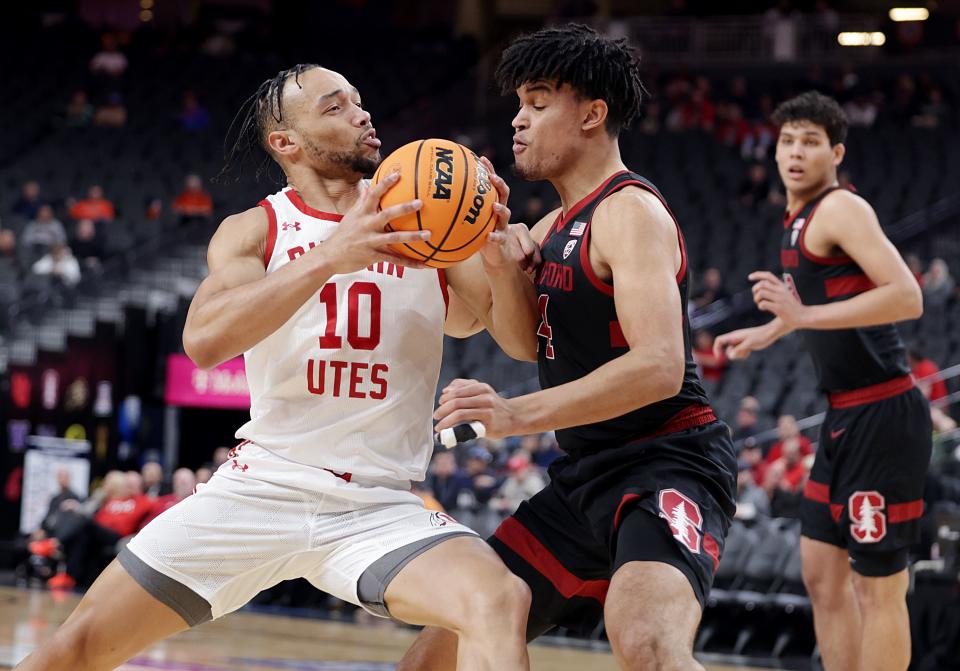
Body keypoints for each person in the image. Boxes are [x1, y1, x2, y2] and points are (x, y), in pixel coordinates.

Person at [16, 64, 537, 671]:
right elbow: (205, 343)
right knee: (72, 652)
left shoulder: (428, 225)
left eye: (360, 102)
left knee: (499, 600)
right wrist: (331, 254)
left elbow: (520, 343)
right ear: (285, 142)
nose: (362, 115)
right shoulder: (256, 230)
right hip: (260, 488)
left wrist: (498, 258)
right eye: (335, 108)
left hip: (379, 505)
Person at [400, 24, 737, 671]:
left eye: (538, 101)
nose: (519, 121)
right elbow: (528, 342)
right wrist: (501, 263)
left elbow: (662, 367)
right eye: (519, 105)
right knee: (432, 660)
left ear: (592, 113)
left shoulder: (629, 211)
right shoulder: (556, 224)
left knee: (646, 641)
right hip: (586, 473)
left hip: (668, 461)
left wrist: (515, 413)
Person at [714, 91, 931, 671]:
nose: (796, 152)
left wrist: (800, 317)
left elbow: (906, 297)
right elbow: (824, 303)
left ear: (836, 152)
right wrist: (771, 332)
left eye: (811, 142)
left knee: (876, 589)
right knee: (820, 571)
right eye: (788, 140)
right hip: (844, 416)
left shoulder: (840, 209)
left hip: (884, 415)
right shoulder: (796, 218)